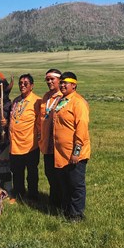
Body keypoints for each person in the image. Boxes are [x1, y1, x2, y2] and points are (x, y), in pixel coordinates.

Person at [52, 71, 90, 221]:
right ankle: (67, 210)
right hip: (61, 152)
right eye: (60, 82)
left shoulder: (78, 102)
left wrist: (77, 151)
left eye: (65, 83)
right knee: (65, 184)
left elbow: (82, 128)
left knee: (76, 184)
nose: (62, 85)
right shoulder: (62, 100)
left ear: (73, 85)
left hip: (74, 152)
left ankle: (77, 214)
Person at [9, 73, 41, 202]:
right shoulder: (16, 101)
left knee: (32, 172)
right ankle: (18, 193)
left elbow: (40, 122)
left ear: (31, 86)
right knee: (17, 171)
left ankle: (33, 195)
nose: (22, 85)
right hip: (15, 143)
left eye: (25, 83)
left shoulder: (37, 101)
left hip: (30, 143)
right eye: (20, 83)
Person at [38, 68, 63, 210]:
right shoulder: (46, 97)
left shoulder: (63, 97)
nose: (49, 82)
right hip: (46, 143)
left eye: (52, 79)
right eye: (47, 79)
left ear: (59, 80)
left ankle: (61, 202)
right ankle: (54, 200)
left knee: (59, 174)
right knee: (49, 173)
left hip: (58, 144)